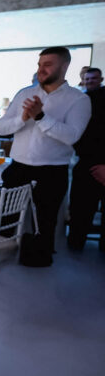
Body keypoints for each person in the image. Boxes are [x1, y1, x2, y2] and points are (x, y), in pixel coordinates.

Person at [0, 46, 91, 265]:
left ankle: (36, 271)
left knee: (44, 223)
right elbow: (2, 128)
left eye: (48, 65)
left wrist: (40, 117)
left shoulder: (78, 100)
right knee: (5, 218)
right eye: (39, 64)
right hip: (18, 167)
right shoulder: (24, 94)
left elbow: (72, 136)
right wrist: (23, 118)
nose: (41, 69)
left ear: (64, 66)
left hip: (51, 170)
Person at [68, 67, 105, 252]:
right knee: (80, 207)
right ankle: (76, 243)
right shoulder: (79, 100)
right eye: (87, 79)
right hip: (85, 160)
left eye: (94, 78)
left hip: (101, 160)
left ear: (101, 79)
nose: (90, 82)